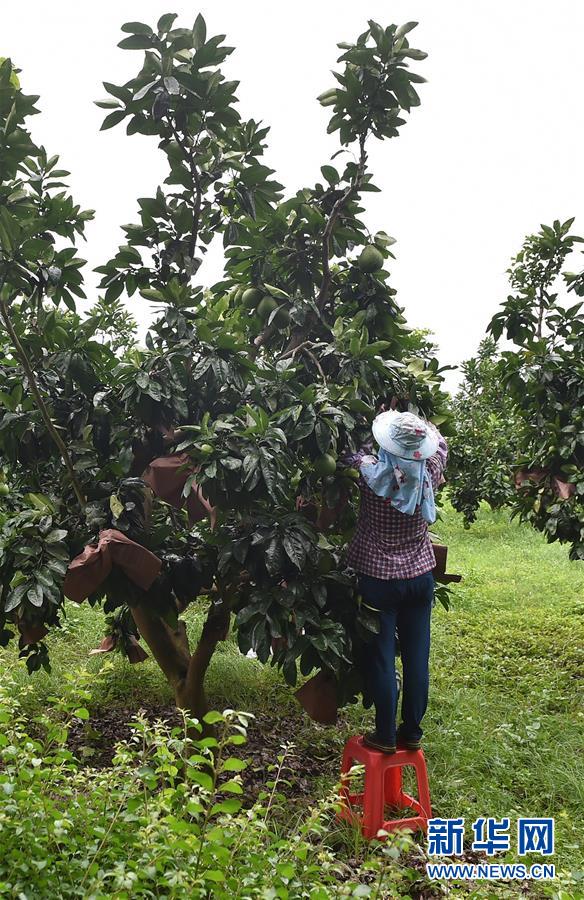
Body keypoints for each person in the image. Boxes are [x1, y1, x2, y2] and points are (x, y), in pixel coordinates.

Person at [346, 409, 448, 754]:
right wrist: (420, 427)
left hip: (379, 581)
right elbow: (440, 446)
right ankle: (413, 731)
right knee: (418, 658)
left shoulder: (370, 475)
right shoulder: (430, 471)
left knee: (382, 658)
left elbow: (357, 454)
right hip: (420, 577)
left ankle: (386, 734)